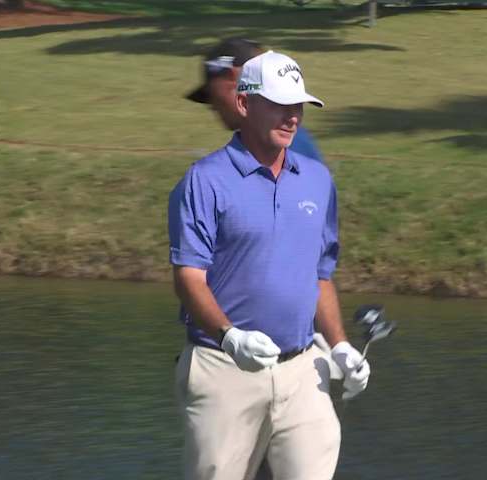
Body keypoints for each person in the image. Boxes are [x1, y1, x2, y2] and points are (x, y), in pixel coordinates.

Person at [169, 50, 371, 480]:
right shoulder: (205, 180)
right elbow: (189, 277)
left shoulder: (317, 179)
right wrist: (230, 337)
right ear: (244, 104)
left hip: (302, 371)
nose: (292, 116)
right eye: (279, 103)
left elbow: (319, 273)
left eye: (297, 105)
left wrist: (339, 346)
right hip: (224, 369)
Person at [186, 37, 324, 163]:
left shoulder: (281, 144)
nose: (213, 106)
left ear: (234, 78)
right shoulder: (278, 138)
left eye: (212, 94)